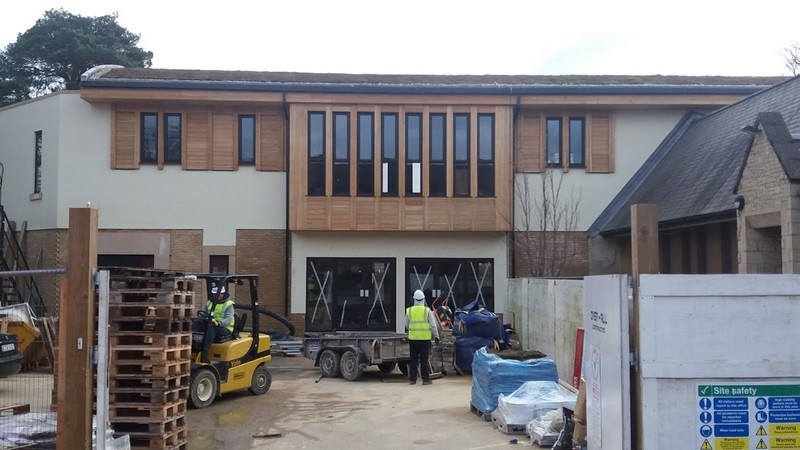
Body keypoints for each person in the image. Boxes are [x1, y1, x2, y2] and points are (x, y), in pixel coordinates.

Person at [405, 289, 440, 385]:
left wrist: (413, 330)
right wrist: (436, 336)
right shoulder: (427, 311)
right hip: (425, 339)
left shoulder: (409, 310)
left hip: (413, 339)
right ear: (423, 299)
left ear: (414, 299)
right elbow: (433, 325)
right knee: (424, 360)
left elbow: (406, 325)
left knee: (413, 360)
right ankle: (425, 379)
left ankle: (413, 379)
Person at [201, 284, 236, 362]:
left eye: (216, 295)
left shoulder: (229, 304)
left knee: (212, 329)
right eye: (213, 294)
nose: (214, 296)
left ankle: (204, 352)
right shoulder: (209, 303)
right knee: (198, 326)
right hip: (212, 325)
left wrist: (219, 323)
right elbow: (204, 313)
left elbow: (229, 318)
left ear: (222, 294)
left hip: (225, 328)